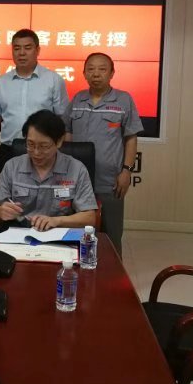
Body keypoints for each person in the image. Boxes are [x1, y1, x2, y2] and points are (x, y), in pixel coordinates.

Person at [63, 53, 143, 257]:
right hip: (77, 180)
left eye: (102, 69)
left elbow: (130, 138)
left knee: (111, 234)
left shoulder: (123, 100)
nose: (96, 74)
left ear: (112, 73)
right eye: (90, 69)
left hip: (110, 180)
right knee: (77, 233)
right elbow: (67, 133)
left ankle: (113, 273)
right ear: (84, 73)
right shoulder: (78, 99)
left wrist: (126, 171)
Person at [0, 110, 97, 231]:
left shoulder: (76, 169)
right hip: (19, 234)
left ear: (59, 141)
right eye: (30, 144)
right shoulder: (12, 166)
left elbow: (89, 217)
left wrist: (57, 221)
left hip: (58, 234)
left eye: (44, 146)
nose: (36, 152)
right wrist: (0, 211)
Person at [0, 29, 69, 176]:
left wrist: (61, 152)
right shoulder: (2, 82)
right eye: (17, 48)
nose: (21, 53)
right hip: (9, 150)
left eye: (27, 48)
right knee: (7, 190)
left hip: (43, 151)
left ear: (38, 50)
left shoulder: (53, 80)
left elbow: (63, 119)